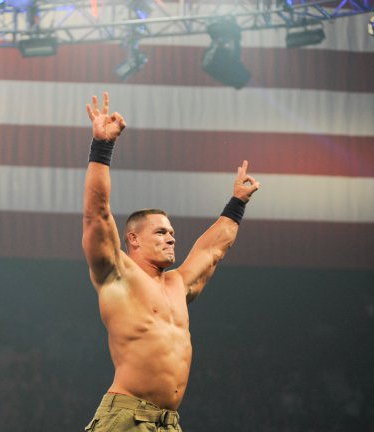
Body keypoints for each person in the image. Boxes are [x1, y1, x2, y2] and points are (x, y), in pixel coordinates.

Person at [82, 92, 260, 432]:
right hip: (127, 417)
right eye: (161, 232)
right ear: (133, 239)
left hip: (167, 423)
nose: (171, 238)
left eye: (172, 233)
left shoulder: (177, 284)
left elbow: (212, 251)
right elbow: (97, 215)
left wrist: (237, 203)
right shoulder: (118, 275)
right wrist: (102, 148)